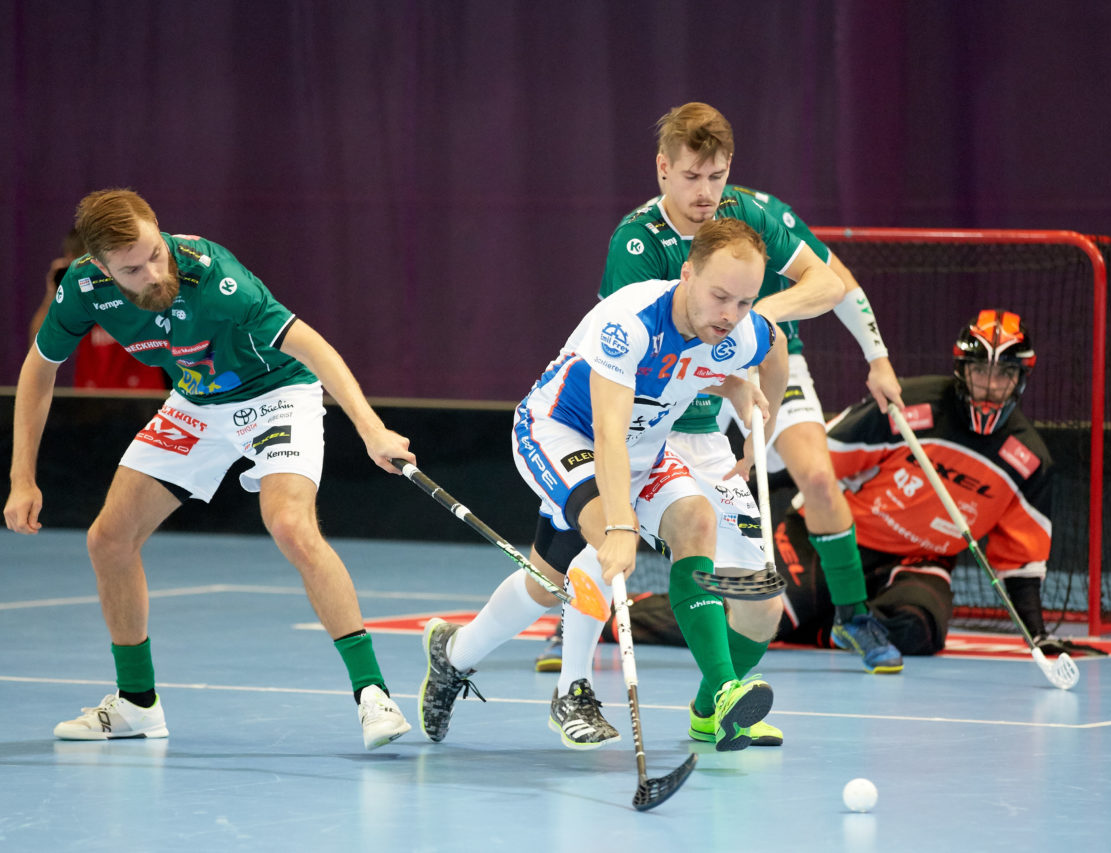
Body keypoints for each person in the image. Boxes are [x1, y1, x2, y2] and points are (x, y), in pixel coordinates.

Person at [4, 188, 414, 750]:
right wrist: (21, 478)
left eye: (155, 252)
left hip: (276, 393)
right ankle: (136, 704)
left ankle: (373, 694)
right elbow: (39, 370)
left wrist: (371, 428)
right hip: (197, 403)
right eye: (133, 267)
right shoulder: (82, 288)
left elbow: (311, 346)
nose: (153, 271)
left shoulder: (217, 279)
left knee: (291, 526)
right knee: (108, 539)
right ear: (100, 267)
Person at [418, 218, 838, 753]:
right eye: (719, 297)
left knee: (583, 568)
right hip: (561, 430)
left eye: (745, 302)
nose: (731, 315)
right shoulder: (631, 320)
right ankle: (573, 691)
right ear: (687, 275)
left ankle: (452, 654)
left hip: (643, 448)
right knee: (607, 540)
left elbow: (774, 349)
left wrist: (759, 415)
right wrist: (620, 526)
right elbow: (607, 432)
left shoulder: (743, 328)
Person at [538, 102, 907, 687]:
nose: (706, 192)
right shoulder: (637, 246)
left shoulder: (752, 216)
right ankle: (568, 625)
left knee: (774, 559)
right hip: (660, 413)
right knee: (567, 558)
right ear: (663, 169)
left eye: (716, 176)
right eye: (691, 177)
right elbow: (651, 365)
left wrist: (753, 317)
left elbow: (830, 283)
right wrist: (732, 364)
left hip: (738, 385)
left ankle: (827, 632)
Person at [774, 310, 1064, 654]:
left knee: (917, 630)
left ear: (1021, 378)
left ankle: (837, 628)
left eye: (1005, 373)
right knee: (768, 618)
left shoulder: (1027, 461)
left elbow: (1021, 561)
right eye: (980, 370)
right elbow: (814, 460)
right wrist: (739, 490)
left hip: (919, 562)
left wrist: (1037, 634)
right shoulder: (904, 406)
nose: (990, 385)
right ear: (962, 369)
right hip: (833, 538)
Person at [29, 228, 166, 390]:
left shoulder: (134, 284)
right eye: (72, 263)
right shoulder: (75, 298)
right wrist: (53, 295)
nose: (80, 271)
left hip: (142, 398)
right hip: (90, 402)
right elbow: (39, 346)